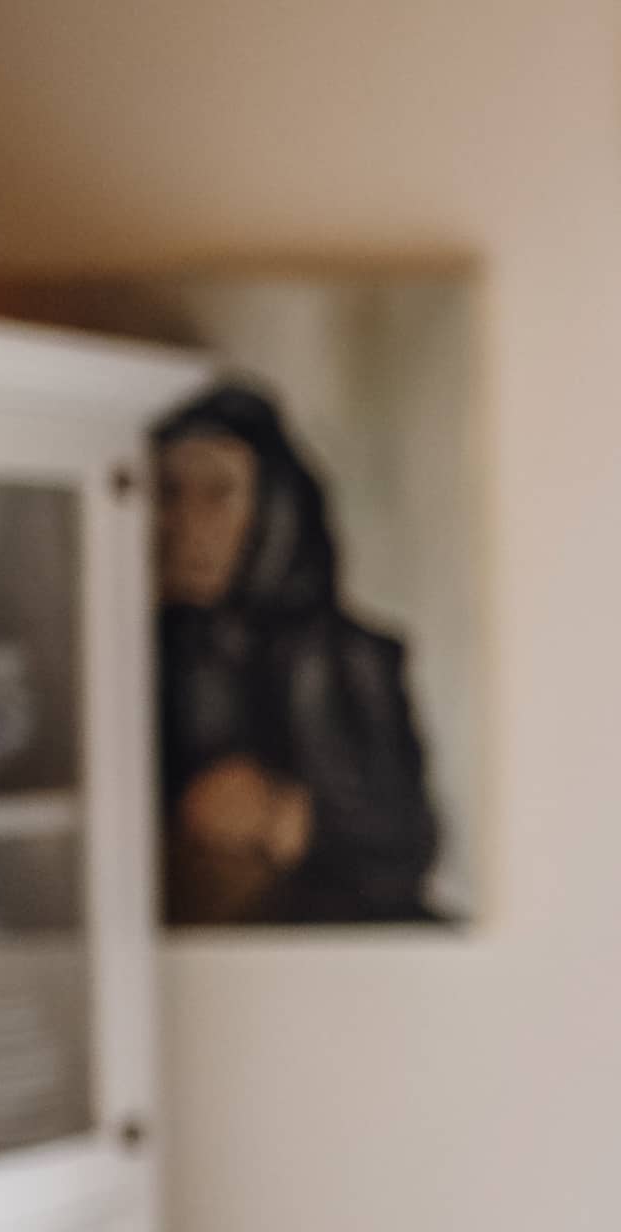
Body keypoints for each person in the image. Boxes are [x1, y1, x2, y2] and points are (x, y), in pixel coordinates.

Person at [149, 381, 442, 924]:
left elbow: (409, 840)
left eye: (218, 494)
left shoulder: (352, 656)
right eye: (168, 493)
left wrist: (288, 816)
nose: (187, 525)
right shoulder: (135, 653)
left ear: (272, 510)